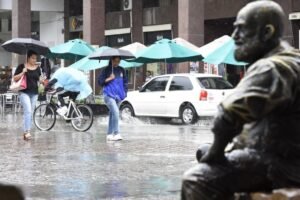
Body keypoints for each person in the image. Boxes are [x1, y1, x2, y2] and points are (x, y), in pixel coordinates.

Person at [181, 1, 300, 200]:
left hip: (283, 165)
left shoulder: (272, 67)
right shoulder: (292, 59)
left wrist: (217, 151)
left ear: (267, 32)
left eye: (241, 29)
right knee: (204, 152)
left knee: (197, 179)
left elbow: (228, 114)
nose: (234, 36)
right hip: (286, 156)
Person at [13, 50, 44, 140]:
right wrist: (23, 72)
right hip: (24, 92)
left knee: (30, 112)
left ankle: (26, 131)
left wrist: (42, 80)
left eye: (35, 58)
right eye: (33, 58)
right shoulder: (22, 66)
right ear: (28, 58)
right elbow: (15, 78)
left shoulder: (37, 68)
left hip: (34, 93)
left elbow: (39, 79)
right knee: (28, 111)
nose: (35, 60)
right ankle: (27, 131)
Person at [98, 56, 128, 141]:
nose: (117, 63)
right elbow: (100, 82)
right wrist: (109, 78)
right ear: (111, 60)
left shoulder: (122, 70)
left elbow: (125, 81)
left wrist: (125, 92)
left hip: (119, 95)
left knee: (112, 114)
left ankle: (109, 134)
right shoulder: (106, 70)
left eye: (118, 61)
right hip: (108, 94)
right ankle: (116, 133)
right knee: (116, 112)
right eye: (115, 61)